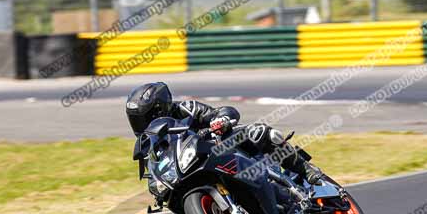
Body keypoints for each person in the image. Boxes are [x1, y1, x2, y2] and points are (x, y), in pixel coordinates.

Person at [125, 82, 324, 184]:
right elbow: (155, 171)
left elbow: (223, 112)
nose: (141, 124)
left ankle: (305, 169)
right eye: (136, 119)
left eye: (144, 117)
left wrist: (221, 120)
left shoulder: (186, 109)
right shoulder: (149, 143)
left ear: (160, 109)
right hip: (192, 171)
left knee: (261, 132)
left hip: (219, 146)